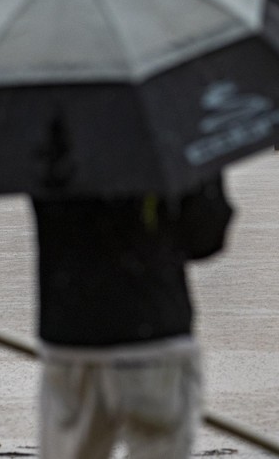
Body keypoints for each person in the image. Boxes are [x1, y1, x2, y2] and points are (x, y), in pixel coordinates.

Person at [31, 176, 233, 459]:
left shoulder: (45, 138)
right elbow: (205, 236)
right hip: (153, 332)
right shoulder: (170, 137)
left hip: (69, 334)